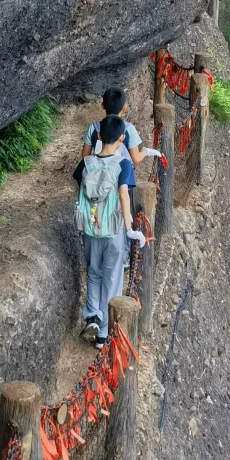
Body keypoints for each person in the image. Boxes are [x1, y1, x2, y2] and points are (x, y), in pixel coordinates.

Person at [76, 115, 146, 346]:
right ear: (122, 138)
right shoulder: (123, 164)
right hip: (113, 230)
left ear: (98, 135)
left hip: (90, 228)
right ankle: (103, 333)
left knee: (93, 272)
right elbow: (124, 194)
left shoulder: (85, 164)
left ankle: (92, 318)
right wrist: (129, 229)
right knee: (112, 278)